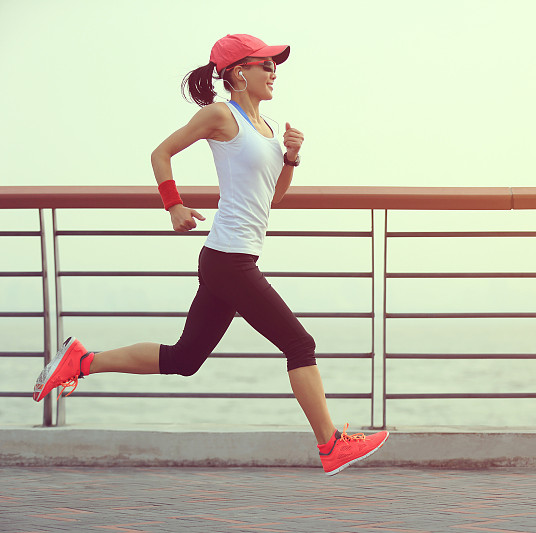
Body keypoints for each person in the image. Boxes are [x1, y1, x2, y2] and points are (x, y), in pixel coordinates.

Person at [32, 33, 388, 476]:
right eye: (266, 64)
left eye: (276, 64)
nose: (275, 71)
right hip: (229, 260)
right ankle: (330, 445)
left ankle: (81, 362)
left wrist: (292, 158)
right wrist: (173, 205)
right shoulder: (221, 115)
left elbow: (272, 199)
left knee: (184, 359)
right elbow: (160, 153)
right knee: (300, 344)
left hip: (235, 258)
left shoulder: (268, 128)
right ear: (240, 72)